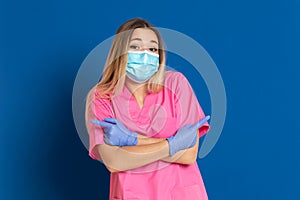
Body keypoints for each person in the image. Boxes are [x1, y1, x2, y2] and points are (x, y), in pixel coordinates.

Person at [85, 18, 210, 200]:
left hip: (181, 193)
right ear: (120, 52)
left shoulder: (176, 84)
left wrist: (132, 141)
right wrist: (173, 144)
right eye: (135, 47)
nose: (145, 54)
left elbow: (189, 155)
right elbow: (114, 161)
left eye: (152, 49)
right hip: (132, 194)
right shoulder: (102, 96)